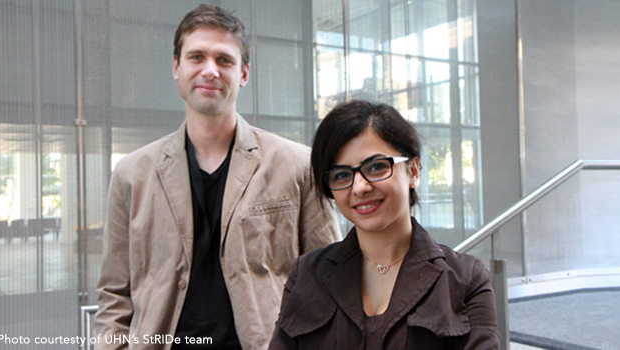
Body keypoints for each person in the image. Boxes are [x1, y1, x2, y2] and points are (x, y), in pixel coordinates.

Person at [94, 4, 341, 350]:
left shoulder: (297, 165)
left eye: (224, 60)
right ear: (176, 68)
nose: (210, 70)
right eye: (197, 57)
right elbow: (114, 294)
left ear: (243, 74)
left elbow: (330, 279)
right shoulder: (131, 174)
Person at [269, 100, 500, 349]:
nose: (359, 187)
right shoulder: (307, 274)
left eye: (377, 167)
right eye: (341, 175)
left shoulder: (465, 280)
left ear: (413, 171)